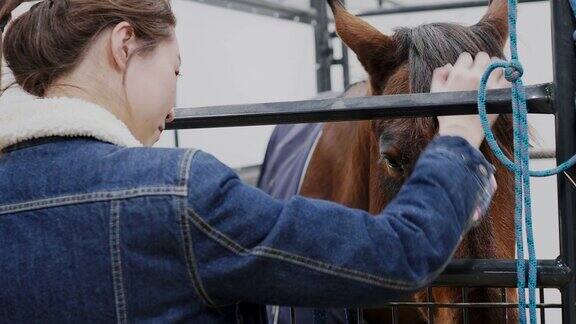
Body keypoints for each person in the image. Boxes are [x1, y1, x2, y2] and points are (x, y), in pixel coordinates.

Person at [0, 0, 508, 323]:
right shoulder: (181, 195)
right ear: (124, 44)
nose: (175, 104)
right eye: (175, 69)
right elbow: (398, 252)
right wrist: (460, 138)